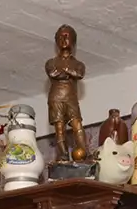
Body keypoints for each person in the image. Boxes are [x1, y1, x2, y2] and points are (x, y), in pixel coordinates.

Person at [45, 24, 89, 162]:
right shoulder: (51, 62)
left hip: (71, 98)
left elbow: (79, 74)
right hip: (55, 98)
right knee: (59, 128)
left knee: (77, 125)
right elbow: (53, 73)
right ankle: (63, 155)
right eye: (60, 37)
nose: (63, 39)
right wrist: (69, 72)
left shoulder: (78, 63)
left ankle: (83, 152)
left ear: (73, 41)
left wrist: (64, 71)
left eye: (66, 36)